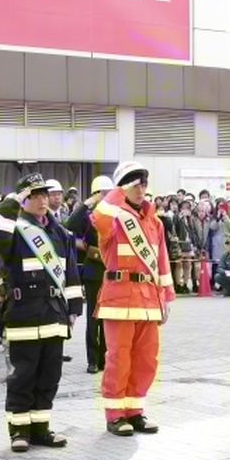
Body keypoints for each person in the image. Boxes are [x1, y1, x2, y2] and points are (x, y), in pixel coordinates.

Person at [0, 172, 83, 452]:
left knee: (49, 375)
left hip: (54, 314)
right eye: (34, 196)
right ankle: (19, 430)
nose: (41, 201)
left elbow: (70, 272)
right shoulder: (13, 230)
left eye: (43, 195)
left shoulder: (59, 232)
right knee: (22, 375)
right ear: (23, 200)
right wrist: (12, 202)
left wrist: (74, 308)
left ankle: (41, 428)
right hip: (23, 314)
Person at [91, 161, 175, 437]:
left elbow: (162, 263)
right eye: (133, 184)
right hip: (118, 298)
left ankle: (135, 409)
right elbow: (98, 216)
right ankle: (115, 414)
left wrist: (166, 298)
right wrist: (116, 193)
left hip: (149, 298)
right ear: (121, 188)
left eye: (143, 184)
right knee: (118, 357)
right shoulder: (112, 218)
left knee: (146, 358)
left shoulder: (155, 222)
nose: (140, 189)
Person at [65, 175, 113, 374]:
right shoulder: (88, 215)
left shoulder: (117, 213)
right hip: (94, 270)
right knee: (94, 317)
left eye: (108, 192)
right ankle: (92, 360)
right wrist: (86, 204)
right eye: (102, 192)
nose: (106, 196)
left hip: (112, 271)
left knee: (108, 318)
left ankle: (105, 359)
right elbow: (70, 225)